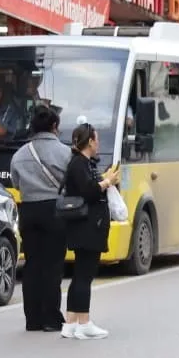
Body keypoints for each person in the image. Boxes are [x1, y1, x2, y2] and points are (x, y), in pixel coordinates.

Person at [10, 105, 73, 333]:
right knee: (53, 265)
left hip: (28, 211)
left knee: (33, 264)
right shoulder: (64, 152)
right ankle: (51, 318)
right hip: (54, 210)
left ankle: (32, 319)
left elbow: (16, 183)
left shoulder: (20, 154)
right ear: (54, 126)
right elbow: (70, 181)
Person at [61, 123, 116, 340]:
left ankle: (71, 321)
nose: (99, 143)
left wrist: (104, 178)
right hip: (87, 227)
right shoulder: (79, 164)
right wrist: (107, 182)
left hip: (84, 226)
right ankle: (84, 321)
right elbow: (88, 191)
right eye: (97, 139)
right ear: (90, 142)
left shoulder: (82, 163)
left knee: (80, 275)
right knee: (85, 275)